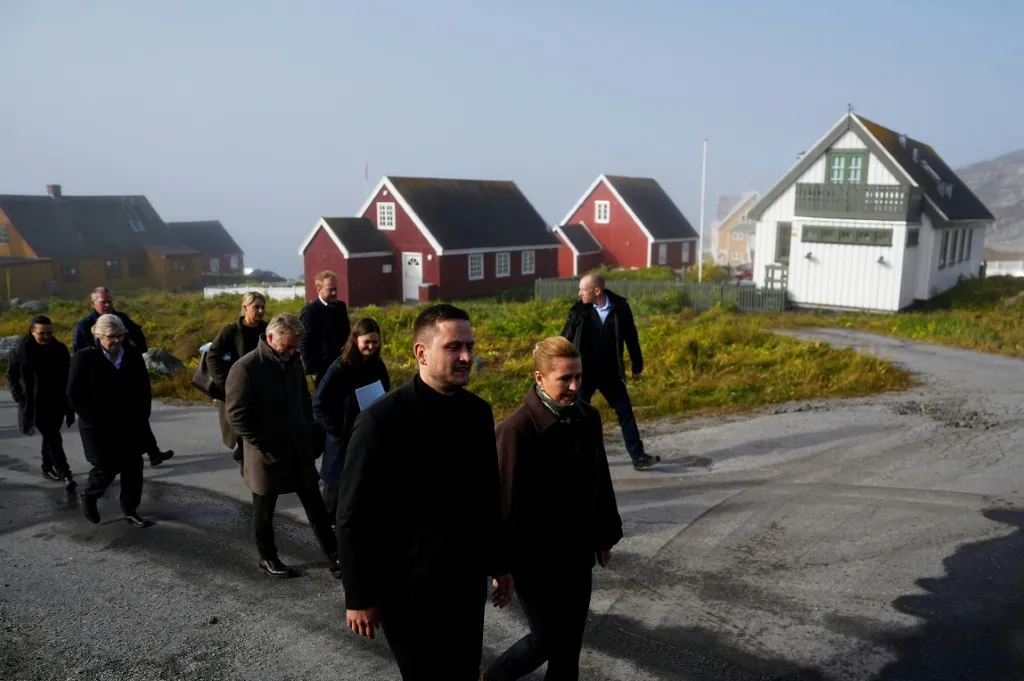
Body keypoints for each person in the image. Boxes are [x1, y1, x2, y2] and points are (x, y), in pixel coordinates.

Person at [336, 303, 513, 681]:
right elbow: (352, 515)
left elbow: (487, 495)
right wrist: (359, 595)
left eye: (470, 346)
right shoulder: (381, 420)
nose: (466, 357)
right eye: (453, 347)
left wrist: (500, 563)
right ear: (421, 352)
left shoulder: (478, 413)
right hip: (407, 590)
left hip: (465, 584)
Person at [484, 337, 623, 681]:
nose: (575, 386)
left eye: (578, 376)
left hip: (576, 552)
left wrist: (603, 537)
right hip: (535, 559)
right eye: (565, 379)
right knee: (546, 639)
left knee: (570, 644)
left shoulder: (588, 417)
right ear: (539, 378)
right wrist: (501, 565)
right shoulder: (516, 429)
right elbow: (501, 502)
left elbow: (599, 479)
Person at [224, 312, 340, 578]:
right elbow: (237, 416)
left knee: (316, 507)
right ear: (270, 337)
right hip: (267, 454)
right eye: (287, 346)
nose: (291, 351)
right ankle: (268, 557)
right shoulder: (245, 368)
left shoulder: (293, 361)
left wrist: (310, 431)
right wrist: (264, 443)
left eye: (295, 347)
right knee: (264, 511)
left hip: (298, 449)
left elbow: (303, 399)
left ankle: (335, 555)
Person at [561, 273, 660, 471]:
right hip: (584, 374)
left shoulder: (620, 308)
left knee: (625, 412)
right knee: (577, 415)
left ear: (597, 291)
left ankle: (638, 456)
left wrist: (637, 365)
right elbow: (564, 339)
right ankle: (573, 458)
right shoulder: (578, 311)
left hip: (610, 373)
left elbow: (632, 338)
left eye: (583, 290)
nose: (580, 293)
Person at [67, 314, 155, 527]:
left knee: (133, 467)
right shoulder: (84, 357)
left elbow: (144, 388)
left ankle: (130, 510)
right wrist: (94, 418)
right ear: (98, 335)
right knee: (106, 467)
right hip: (97, 425)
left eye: (120, 335)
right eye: (111, 336)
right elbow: (74, 394)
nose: (117, 340)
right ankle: (90, 495)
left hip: (129, 421)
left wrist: (142, 415)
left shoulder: (131, 354)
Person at [72, 286, 174, 467]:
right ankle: (108, 466)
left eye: (109, 301)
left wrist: (137, 351)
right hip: (100, 383)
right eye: (103, 302)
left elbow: (137, 332)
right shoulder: (84, 325)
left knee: (137, 418)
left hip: (124, 375)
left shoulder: (121, 319)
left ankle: (152, 453)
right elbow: (78, 354)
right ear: (93, 303)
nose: (107, 305)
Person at [311, 318, 390, 524]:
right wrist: (335, 430)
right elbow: (318, 403)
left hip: (365, 436)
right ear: (355, 340)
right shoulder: (340, 367)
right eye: (367, 342)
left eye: (375, 342)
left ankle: (350, 531)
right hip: (341, 439)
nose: (371, 347)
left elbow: (386, 395)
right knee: (334, 494)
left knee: (358, 491)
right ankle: (328, 535)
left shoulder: (377, 365)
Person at [5, 315, 77, 492]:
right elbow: (11, 375)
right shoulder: (21, 352)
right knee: (53, 437)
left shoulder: (59, 349)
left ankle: (47, 467)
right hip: (35, 403)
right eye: (42, 333)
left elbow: (69, 373)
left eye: (49, 333)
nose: (46, 337)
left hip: (57, 401)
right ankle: (65, 474)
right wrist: (19, 397)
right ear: (32, 331)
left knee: (51, 435)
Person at [206, 291, 268, 471]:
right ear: (245, 308)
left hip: (261, 390)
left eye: (262, 307)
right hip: (238, 390)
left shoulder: (267, 329)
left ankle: (252, 467)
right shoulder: (231, 331)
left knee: (259, 430)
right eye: (256, 307)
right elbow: (213, 356)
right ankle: (245, 464)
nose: (260, 311)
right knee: (242, 430)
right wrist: (225, 383)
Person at [299, 270, 351, 386]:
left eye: (335, 289)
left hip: (342, 365)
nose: (334, 293)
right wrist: (313, 370)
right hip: (323, 370)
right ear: (319, 289)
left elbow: (347, 335)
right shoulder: (310, 311)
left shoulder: (341, 307)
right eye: (330, 290)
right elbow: (303, 342)